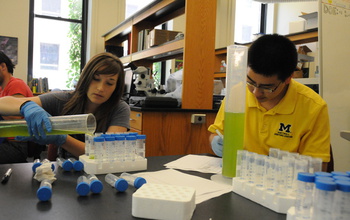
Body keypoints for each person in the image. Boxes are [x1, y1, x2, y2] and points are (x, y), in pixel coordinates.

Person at [208, 34, 331, 171]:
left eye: (267, 87)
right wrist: (215, 141)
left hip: (283, 187)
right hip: (238, 180)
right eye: (251, 82)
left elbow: (317, 167)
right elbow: (216, 133)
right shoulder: (237, 93)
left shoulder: (313, 107)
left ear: (289, 78)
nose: (256, 92)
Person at [0, 52, 130, 159]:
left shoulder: (119, 109)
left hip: (101, 175)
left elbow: (105, 153)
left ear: (116, 87)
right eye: (95, 79)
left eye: (109, 83)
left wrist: (62, 139)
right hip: (65, 173)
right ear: (86, 78)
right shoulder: (63, 100)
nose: (101, 88)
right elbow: (3, 103)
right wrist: (26, 105)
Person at [0, 51, 34, 163]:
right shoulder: (2, 89)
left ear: (3, 66)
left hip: (17, 145)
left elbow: (15, 117)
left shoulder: (16, 84)